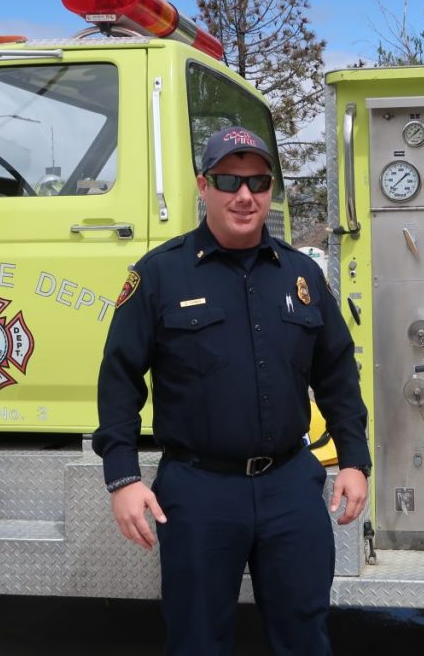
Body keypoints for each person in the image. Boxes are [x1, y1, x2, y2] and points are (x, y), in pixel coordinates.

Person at [93, 125, 372, 656]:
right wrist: (122, 477)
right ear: (204, 186)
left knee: (304, 634)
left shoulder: (301, 273)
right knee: (197, 639)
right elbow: (119, 379)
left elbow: (337, 373)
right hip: (199, 491)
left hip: (289, 486)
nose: (245, 195)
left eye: (259, 182)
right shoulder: (160, 275)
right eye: (228, 180)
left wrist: (355, 460)